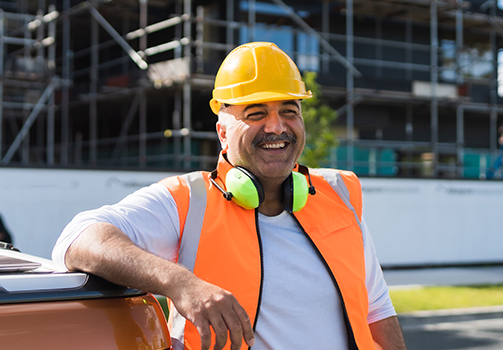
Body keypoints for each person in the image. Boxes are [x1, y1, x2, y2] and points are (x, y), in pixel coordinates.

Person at [53, 42, 406, 350]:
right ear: (223, 132)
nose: (276, 127)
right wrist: (181, 284)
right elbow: (78, 238)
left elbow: (377, 309)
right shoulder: (189, 200)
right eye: (256, 114)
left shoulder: (339, 193)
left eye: (288, 111)